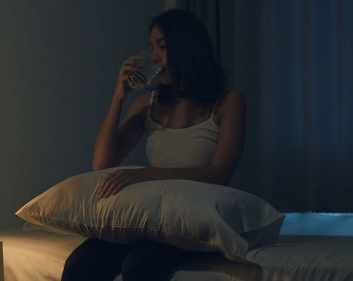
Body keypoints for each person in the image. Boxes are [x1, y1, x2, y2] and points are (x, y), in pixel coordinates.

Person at [61, 9, 246, 281]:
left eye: (163, 46)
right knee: (80, 264)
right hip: (151, 217)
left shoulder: (228, 102)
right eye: (151, 48)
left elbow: (221, 174)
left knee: (139, 265)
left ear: (187, 49)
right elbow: (101, 163)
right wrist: (118, 97)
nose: (155, 57)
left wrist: (147, 175)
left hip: (192, 219)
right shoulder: (149, 103)